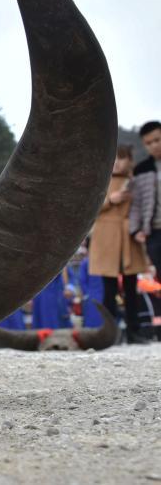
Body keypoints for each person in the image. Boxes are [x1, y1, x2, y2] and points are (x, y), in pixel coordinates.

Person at [90, 145, 150, 343]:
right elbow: (88, 208)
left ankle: (135, 332)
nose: (117, 162)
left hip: (129, 236)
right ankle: (109, 334)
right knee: (109, 288)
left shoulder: (135, 181)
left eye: (122, 158)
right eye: (114, 158)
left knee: (132, 287)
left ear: (129, 160)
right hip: (106, 237)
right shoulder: (100, 179)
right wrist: (109, 200)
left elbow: (145, 206)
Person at [131, 120, 161, 274]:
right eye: (149, 143)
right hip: (154, 232)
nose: (154, 145)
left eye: (157, 140)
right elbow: (136, 203)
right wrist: (136, 230)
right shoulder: (141, 170)